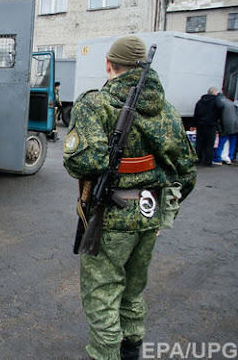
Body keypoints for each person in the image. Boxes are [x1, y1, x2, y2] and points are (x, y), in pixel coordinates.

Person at [63, 35, 197, 360]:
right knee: (133, 293)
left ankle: (105, 354)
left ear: (108, 65)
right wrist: (165, 214)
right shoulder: (165, 110)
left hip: (111, 216)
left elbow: (85, 161)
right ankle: (132, 349)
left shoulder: (95, 104)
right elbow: (187, 170)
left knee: (103, 296)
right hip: (149, 214)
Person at [193, 87, 223, 166]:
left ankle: (198, 160)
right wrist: (217, 119)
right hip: (211, 125)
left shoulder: (200, 101)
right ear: (215, 93)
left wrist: (195, 123)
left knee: (199, 143)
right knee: (209, 144)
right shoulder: (216, 101)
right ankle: (207, 162)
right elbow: (220, 108)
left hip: (200, 125)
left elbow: (196, 113)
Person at [213, 93, 238, 165]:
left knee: (221, 141)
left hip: (226, 124)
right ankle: (230, 157)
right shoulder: (229, 101)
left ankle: (218, 158)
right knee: (232, 141)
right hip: (235, 123)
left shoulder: (219, 102)